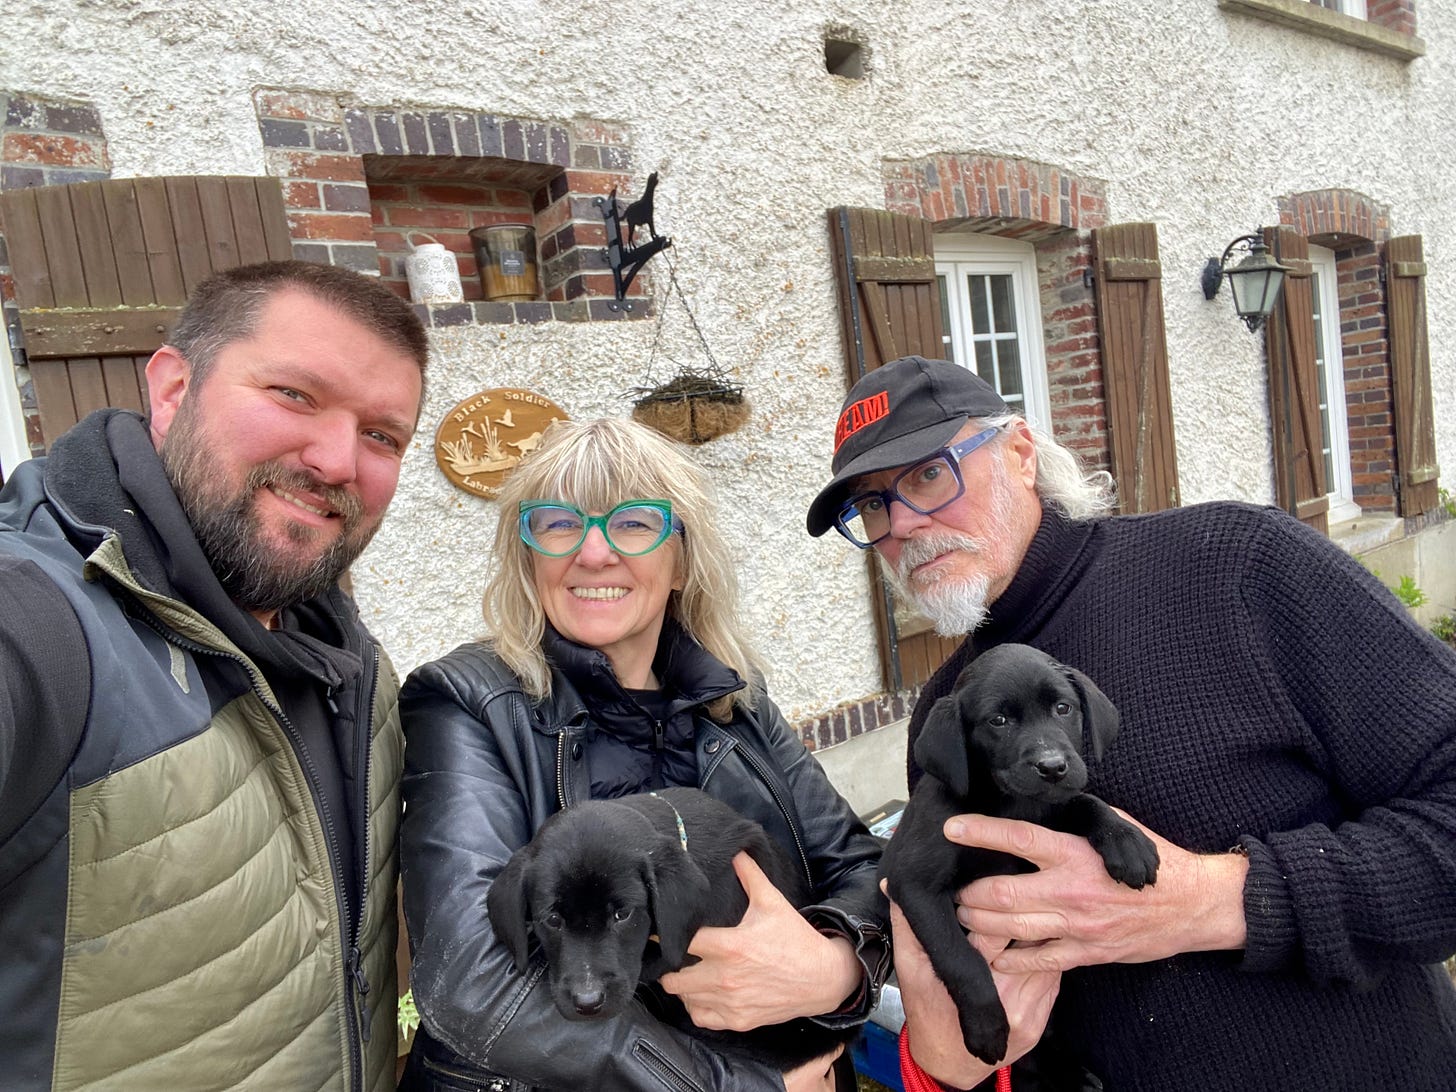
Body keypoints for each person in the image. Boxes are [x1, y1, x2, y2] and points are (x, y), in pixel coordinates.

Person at [806, 354, 1456, 1090]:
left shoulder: (1234, 567)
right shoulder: (949, 720)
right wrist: (945, 1059)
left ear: (1019, 453)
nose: (905, 526)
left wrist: (1217, 902)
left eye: (928, 474)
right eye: (873, 507)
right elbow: (984, 999)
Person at [0, 260, 428, 1091]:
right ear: (171, 389)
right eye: (295, 395)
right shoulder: (42, 624)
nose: (339, 460)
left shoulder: (349, 663)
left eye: (382, 435)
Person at [397, 416, 890, 1092]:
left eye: (633, 523)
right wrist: (732, 1087)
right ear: (528, 556)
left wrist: (833, 967)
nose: (594, 554)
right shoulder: (470, 705)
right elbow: (469, 978)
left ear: (682, 559)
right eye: (559, 525)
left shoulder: (735, 703)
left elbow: (859, 866)